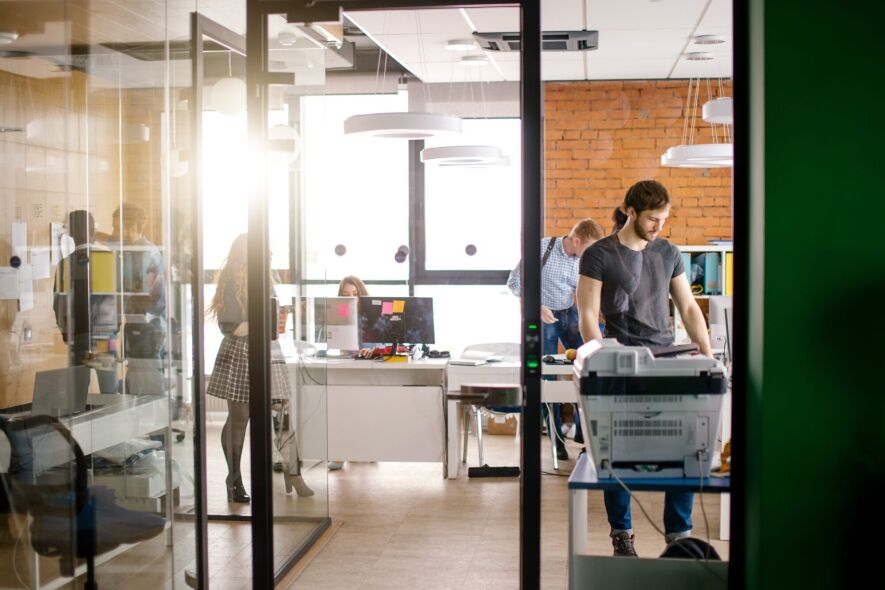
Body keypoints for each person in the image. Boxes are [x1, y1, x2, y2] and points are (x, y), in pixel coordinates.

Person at [576, 179, 712, 557]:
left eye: (664, 219)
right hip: (620, 364)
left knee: (685, 448)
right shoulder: (599, 254)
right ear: (631, 212)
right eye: (653, 219)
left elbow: (688, 308)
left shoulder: (669, 252)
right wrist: (600, 358)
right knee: (616, 453)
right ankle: (622, 534)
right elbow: (587, 314)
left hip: (666, 362)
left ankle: (678, 536)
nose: (659, 227)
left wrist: (707, 355)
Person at [206, 234, 312, 501]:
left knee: (281, 412)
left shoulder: (267, 278)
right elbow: (231, 327)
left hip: (267, 348)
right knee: (240, 418)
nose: (269, 255)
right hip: (240, 350)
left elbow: (268, 317)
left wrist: (280, 316)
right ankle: (234, 479)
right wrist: (262, 322)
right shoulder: (230, 282)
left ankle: (293, 472)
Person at [507, 218, 605, 460]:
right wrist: (536, 306)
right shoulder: (542, 248)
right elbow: (515, 282)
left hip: (570, 314)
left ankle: (583, 433)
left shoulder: (584, 260)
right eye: (589, 248)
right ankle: (557, 440)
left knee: (591, 365)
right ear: (576, 240)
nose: (592, 254)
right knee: (546, 376)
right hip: (543, 315)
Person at [53, 210, 118, 393]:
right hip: (104, 336)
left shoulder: (65, 264)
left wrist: (66, 332)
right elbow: (118, 301)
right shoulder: (108, 259)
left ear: (71, 234)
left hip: (78, 336)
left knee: (77, 392)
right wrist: (114, 329)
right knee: (109, 392)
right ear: (93, 231)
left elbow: (59, 305)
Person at [325, 275, 370, 471]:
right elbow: (332, 340)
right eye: (345, 295)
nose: (351, 298)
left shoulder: (371, 314)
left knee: (362, 409)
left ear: (361, 295)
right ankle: (339, 453)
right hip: (345, 364)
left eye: (354, 293)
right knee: (340, 409)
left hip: (368, 367)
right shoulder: (338, 312)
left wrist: (371, 350)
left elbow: (380, 341)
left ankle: (363, 448)